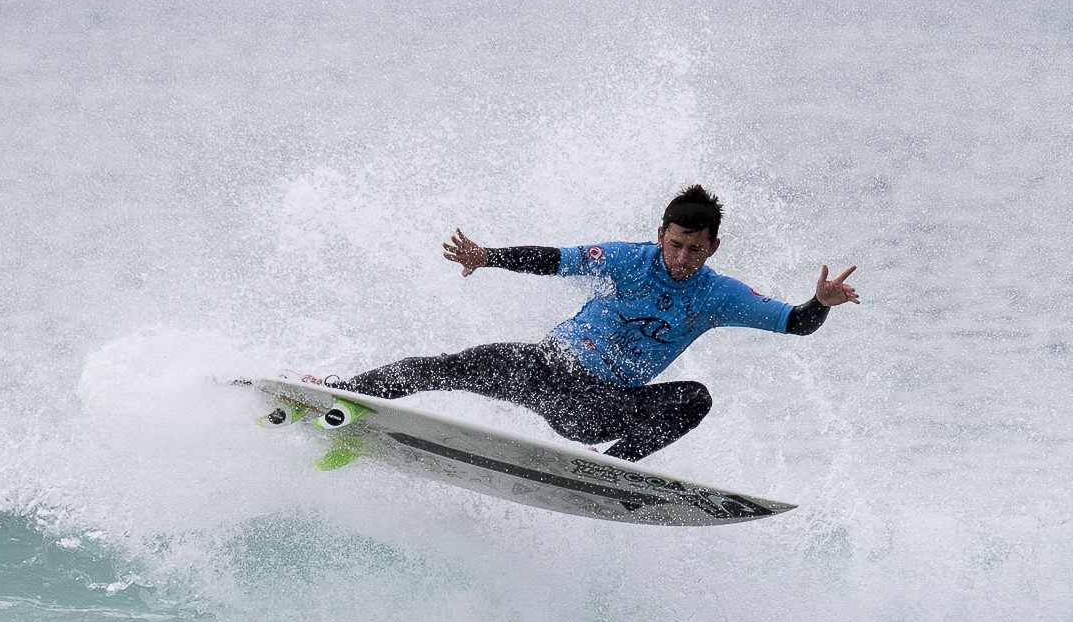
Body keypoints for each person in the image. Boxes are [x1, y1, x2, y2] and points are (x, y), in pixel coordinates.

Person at [324, 185, 859, 462]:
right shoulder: (626, 258)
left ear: (713, 246)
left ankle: (609, 470)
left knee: (696, 398)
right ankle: (342, 393)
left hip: (601, 408)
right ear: (661, 236)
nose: (682, 259)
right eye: (675, 245)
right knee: (448, 366)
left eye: (695, 249)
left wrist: (821, 303)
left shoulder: (720, 295)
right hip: (548, 369)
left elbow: (794, 324)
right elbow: (554, 259)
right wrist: (488, 256)